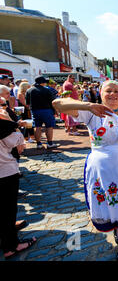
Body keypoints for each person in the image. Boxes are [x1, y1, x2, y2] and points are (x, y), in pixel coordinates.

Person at [52, 80, 118, 260]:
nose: (113, 94)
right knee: (109, 205)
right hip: (101, 169)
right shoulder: (91, 113)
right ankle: (117, 232)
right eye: (108, 90)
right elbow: (57, 104)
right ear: (101, 93)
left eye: (117, 91)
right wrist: (88, 105)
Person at [0, 103, 36, 260]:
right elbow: (19, 146)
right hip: (4, 172)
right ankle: (11, 246)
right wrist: (12, 123)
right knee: (7, 209)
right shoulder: (4, 126)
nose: (5, 107)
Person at [25, 77, 59, 149]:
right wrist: (55, 111)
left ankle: (39, 144)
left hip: (35, 110)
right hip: (47, 110)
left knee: (37, 127)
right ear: (42, 83)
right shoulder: (47, 90)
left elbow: (27, 103)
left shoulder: (29, 90)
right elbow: (53, 102)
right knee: (49, 127)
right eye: (45, 82)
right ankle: (49, 143)